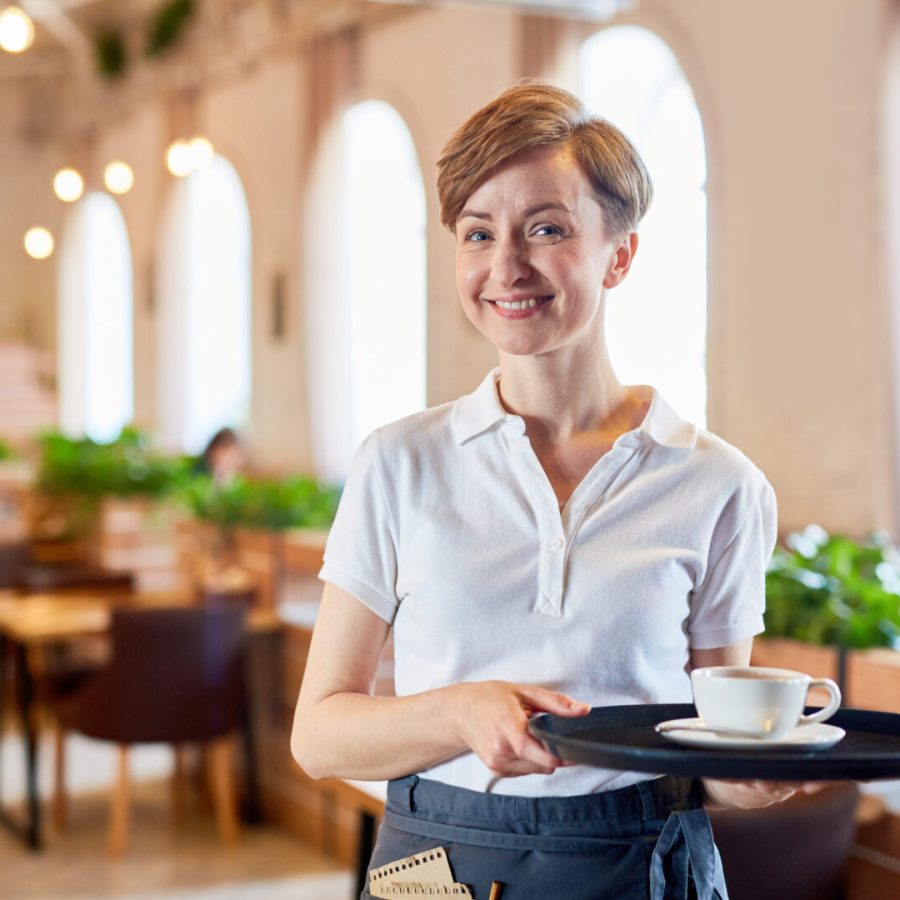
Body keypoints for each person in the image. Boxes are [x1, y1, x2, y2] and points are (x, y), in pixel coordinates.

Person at [292, 83, 802, 899]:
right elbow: (318, 735)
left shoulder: (719, 486)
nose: (506, 267)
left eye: (548, 229)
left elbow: (712, 760)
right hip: (436, 872)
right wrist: (457, 713)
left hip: (642, 868)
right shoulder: (399, 463)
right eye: (478, 234)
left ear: (620, 253)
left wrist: (765, 766)